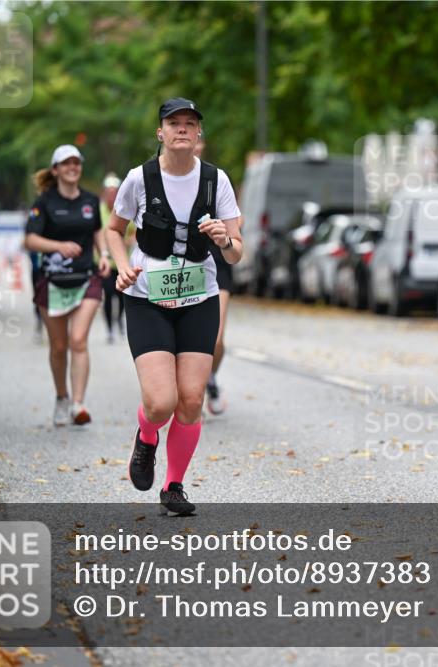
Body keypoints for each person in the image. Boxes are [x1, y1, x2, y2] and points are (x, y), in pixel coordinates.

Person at [105, 98, 243, 516]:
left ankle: (173, 485)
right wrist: (121, 265)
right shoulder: (139, 179)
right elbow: (113, 230)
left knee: (190, 400)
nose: (182, 129)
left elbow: (237, 253)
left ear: (199, 134)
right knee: (161, 402)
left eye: (190, 123)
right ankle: (147, 437)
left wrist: (223, 240)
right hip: (149, 298)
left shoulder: (216, 181)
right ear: (160, 133)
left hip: (199, 299)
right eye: (173, 123)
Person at [24, 145, 110, 427]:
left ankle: (78, 404)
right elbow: (30, 240)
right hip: (53, 282)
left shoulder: (90, 200)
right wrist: (58, 246)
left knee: (78, 340)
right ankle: (62, 397)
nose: (73, 167)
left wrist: (105, 255)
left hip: (86, 278)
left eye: (77, 162)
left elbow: (98, 230)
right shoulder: (44, 202)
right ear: (56, 170)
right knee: (59, 347)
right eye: (66, 163)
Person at [193, 136, 235, 415]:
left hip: (218, 264)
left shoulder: (216, 180)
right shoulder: (162, 179)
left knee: (216, 339)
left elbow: (236, 221)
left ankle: (210, 378)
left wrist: (221, 230)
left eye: (196, 139)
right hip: (184, 267)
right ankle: (190, 388)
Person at [99, 172, 133, 343]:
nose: (112, 195)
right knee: (108, 294)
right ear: (105, 193)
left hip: (121, 262)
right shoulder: (99, 211)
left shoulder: (123, 209)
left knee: (120, 297)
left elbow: (134, 231)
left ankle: (119, 320)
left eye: (115, 192)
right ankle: (110, 329)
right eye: (109, 192)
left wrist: (127, 241)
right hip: (104, 262)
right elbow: (96, 234)